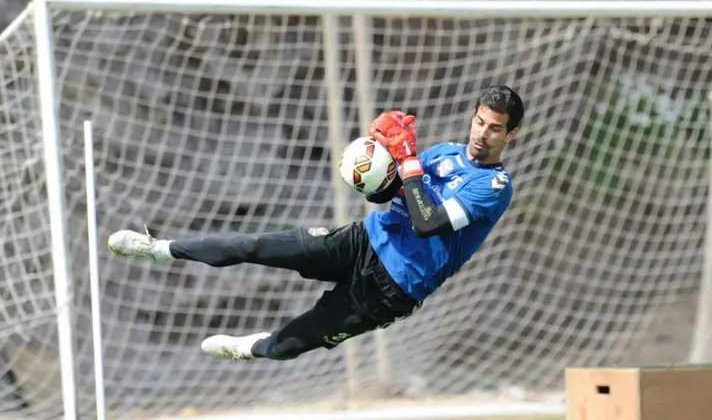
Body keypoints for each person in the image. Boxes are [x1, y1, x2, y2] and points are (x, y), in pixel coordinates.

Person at [107, 85, 523, 361]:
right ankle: (159, 248)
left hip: (392, 287)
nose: (483, 133)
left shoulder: (494, 186)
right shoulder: (444, 152)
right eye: (480, 121)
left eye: (496, 128)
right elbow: (390, 193)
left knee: (289, 343)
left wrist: (409, 162)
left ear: (512, 135)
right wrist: (372, 166)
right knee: (257, 245)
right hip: (363, 241)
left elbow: (428, 222)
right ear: (473, 116)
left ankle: (250, 349)